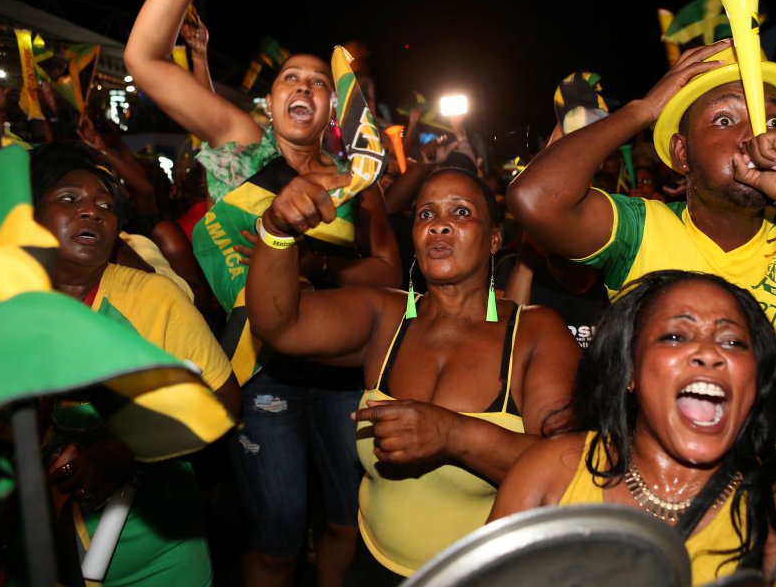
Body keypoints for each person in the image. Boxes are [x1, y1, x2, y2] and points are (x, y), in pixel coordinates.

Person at [506, 38, 776, 480]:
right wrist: (643, 109)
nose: (754, 136)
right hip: (661, 500)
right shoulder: (640, 229)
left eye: (772, 120)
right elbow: (535, 198)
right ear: (681, 153)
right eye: (726, 118)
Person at [124, 0, 401, 586]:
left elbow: (389, 275)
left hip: (340, 372)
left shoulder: (357, 178)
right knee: (276, 540)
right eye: (289, 80)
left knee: (343, 523)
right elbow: (142, 59)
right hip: (260, 372)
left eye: (317, 82)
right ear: (268, 104)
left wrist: (303, 261)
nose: (303, 86)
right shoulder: (238, 148)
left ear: (333, 108)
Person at [245, 166, 581, 583]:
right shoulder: (386, 316)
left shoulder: (534, 332)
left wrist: (454, 436)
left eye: (460, 213)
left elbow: (568, 471)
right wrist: (278, 230)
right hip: (372, 566)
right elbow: (278, 324)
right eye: (426, 215)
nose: (439, 225)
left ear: (495, 238)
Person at [488, 270, 776, 585]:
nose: (709, 352)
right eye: (675, 336)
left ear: (755, 379)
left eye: (734, 342)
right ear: (630, 370)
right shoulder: (548, 477)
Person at [30, 140, 240, 586]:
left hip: (154, 555)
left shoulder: (151, 298)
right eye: (69, 199)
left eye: (106, 206)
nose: (92, 211)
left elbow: (224, 400)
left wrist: (124, 449)